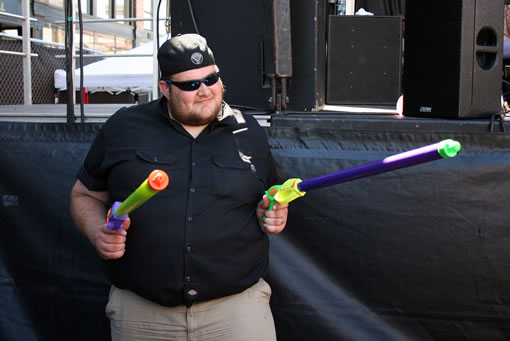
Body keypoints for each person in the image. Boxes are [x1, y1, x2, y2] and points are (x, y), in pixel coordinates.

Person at [70, 33, 289, 341]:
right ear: (165, 88)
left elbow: (268, 200)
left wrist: (273, 213)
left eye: (211, 79)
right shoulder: (124, 127)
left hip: (237, 313)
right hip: (143, 315)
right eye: (189, 85)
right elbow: (84, 194)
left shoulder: (248, 129)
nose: (205, 91)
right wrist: (96, 232)